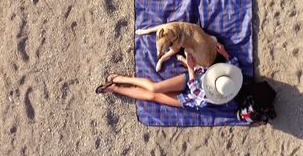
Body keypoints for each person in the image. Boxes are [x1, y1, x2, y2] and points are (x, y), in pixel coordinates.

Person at [97, 42, 242, 110]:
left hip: (192, 95)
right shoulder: (231, 81)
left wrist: (191, 69)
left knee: (152, 95)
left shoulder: (213, 96)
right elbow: (234, 64)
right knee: (155, 88)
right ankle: (122, 78)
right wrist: (224, 53)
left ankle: (115, 88)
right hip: (196, 77)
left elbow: (195, 90)